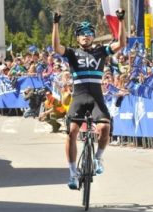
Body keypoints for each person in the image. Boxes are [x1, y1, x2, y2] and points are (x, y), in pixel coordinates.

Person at [52, 8, 126, 189]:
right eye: (82, 34)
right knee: (71, 133)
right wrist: (55, 24)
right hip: (78, 97)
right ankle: (72, 174)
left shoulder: (101, 51)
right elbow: (56, 47)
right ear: (77, 38)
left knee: (104, 128)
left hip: (96, 98)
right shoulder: (71, 53)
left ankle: (98, 158)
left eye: (89, 34)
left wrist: (121, 21)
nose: (86, 36)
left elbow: (121, 43)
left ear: (93, 37)